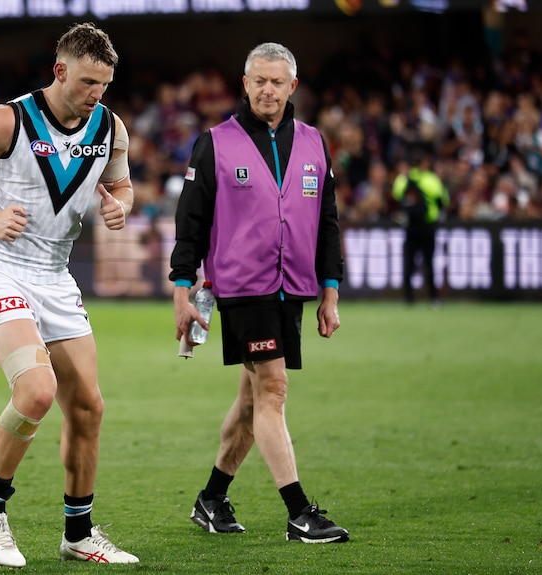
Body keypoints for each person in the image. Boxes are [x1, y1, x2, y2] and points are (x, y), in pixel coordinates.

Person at [0, 22, 139, 568]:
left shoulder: (110, 127)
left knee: (89, 407)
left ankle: (79, 532)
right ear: (60, 70)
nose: (97, 93)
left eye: (105, 83)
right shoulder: (10, 119)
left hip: (55, 274)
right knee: (36, 391)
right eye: (89, 81)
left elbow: (120, 182)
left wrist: (122, 203)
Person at [169, 42, 349, 543]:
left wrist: (329, 291)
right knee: (272, 387)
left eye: (278, 82)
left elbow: (327, 222)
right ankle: (299, 512)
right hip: (242, 288)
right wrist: (182, 289)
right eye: (259, 81)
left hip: (293, 287)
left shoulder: (315, 142)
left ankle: (211, 498)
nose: (268, 89)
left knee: (252, 399)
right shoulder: (215, 143)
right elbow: (191, 223)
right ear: (244, 84)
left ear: (292, 87)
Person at [391, 147, 449, 305]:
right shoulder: (432, 179)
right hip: (428, 225)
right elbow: (443, 199)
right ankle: (433, 298)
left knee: (409, 262)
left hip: (410, 226)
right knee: (429, 262)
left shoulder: (404, 179)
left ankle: (408, 299)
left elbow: (396, 196)